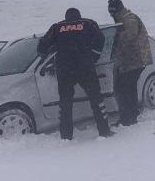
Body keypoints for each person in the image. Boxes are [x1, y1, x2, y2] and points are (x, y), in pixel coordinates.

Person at [37, 8, 113, 140]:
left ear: (66, 17)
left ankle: (66, 136)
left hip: (65, 70)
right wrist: (94, 55)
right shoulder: (88, 23)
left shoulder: (57, 26)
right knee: (96, 100)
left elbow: (43, 43)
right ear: (79, 15)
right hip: (85, 68)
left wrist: (44, 53)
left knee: (65, 104)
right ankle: (104, 130)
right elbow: (100, 37)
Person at [107, 0, 153, 126]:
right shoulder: (122, 19)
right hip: (130, 61)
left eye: (111, 12)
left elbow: (132, 33)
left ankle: (129, 118)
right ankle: (131, 115)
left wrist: (116, 38)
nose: (110, 15)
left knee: (124, 88)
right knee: (128, 88)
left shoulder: (129, 18)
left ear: (116, 10)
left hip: (135, 60)